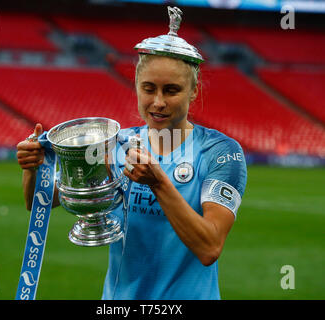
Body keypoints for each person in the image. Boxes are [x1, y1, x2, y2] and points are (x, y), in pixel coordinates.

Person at [17, 7, 247, 300]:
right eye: (148, 88)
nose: (158, 102)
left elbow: (209, 247)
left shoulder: (220, 152)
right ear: (136, 86)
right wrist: (34, 168)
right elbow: (42, 200)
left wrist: (158, 182)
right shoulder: (116, 144)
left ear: (193, 91)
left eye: (172, 90)